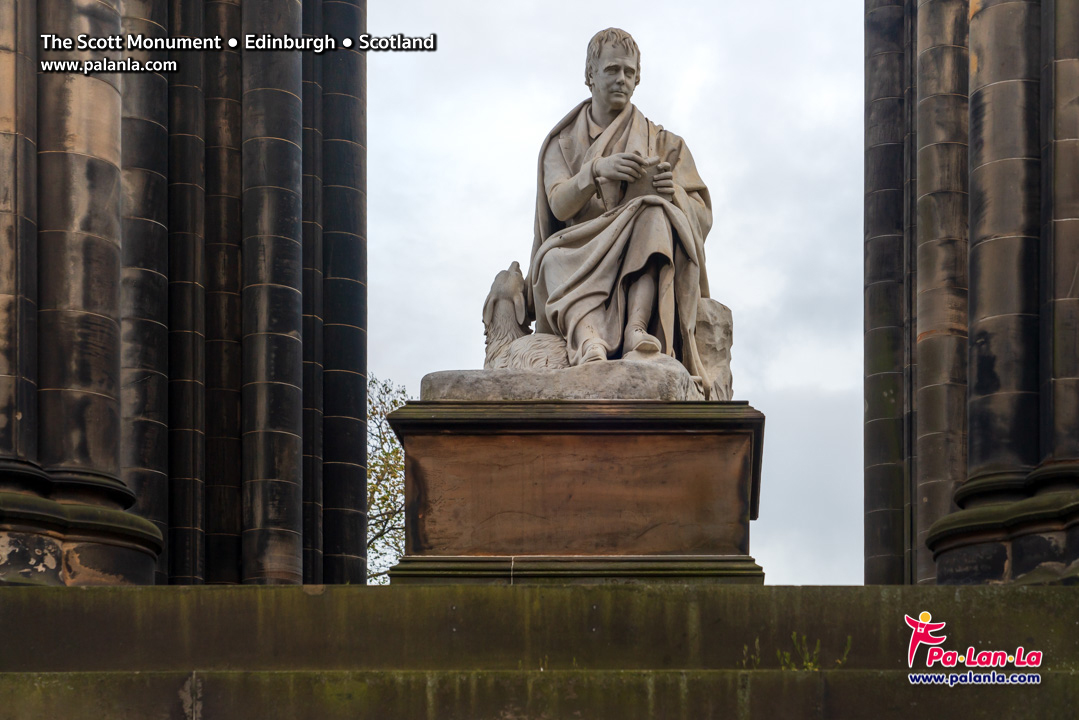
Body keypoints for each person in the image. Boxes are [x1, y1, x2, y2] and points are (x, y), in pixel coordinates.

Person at [527, 27, 714, 388]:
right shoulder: (562, 143)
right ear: (590, 74)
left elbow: (701, 212)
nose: (622, 80)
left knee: (655, 212)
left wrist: (670, 190)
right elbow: (558, 205)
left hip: (636, 242)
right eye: (612, 70)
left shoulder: (664, 143)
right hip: (579, 247)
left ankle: (637, 329)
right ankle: (588, 340)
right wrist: (593, 173)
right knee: (550, 261)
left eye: (629, 72)